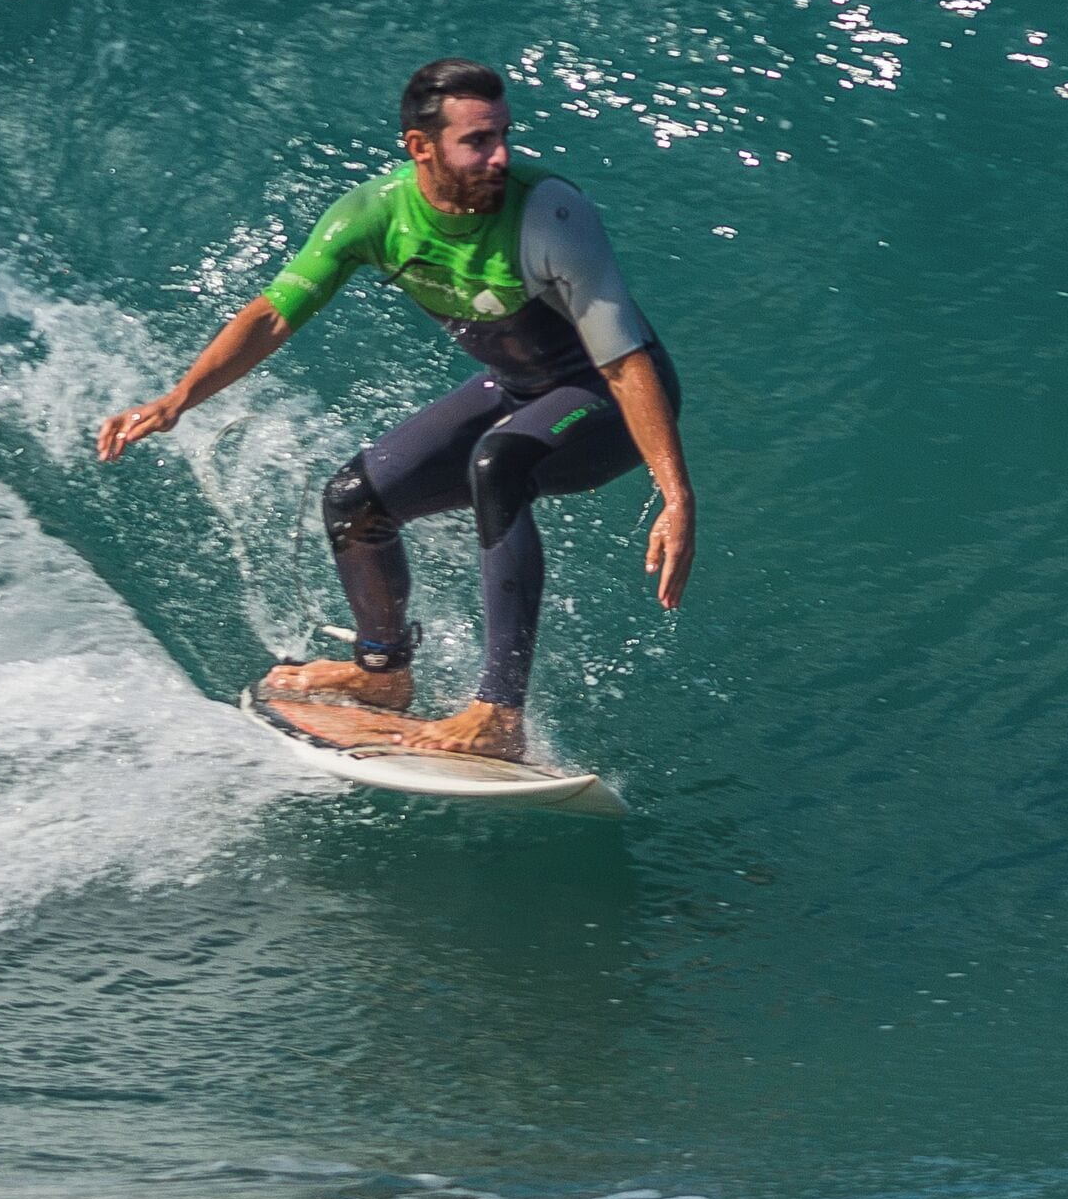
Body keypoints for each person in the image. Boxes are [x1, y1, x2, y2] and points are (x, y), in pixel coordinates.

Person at [93, 59, 694, 760]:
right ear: (420, 146)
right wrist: (178, 398)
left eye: (504, 134)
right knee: (355, 499)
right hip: (519, 385)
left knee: (498, 464)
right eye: (477, 141)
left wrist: (674, 492)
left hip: (608, 401)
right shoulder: (371, 216)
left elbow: (624, 362)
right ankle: (383, 674)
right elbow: (273, 315)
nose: (500, 155)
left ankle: (499, 713)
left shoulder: (551, 213)